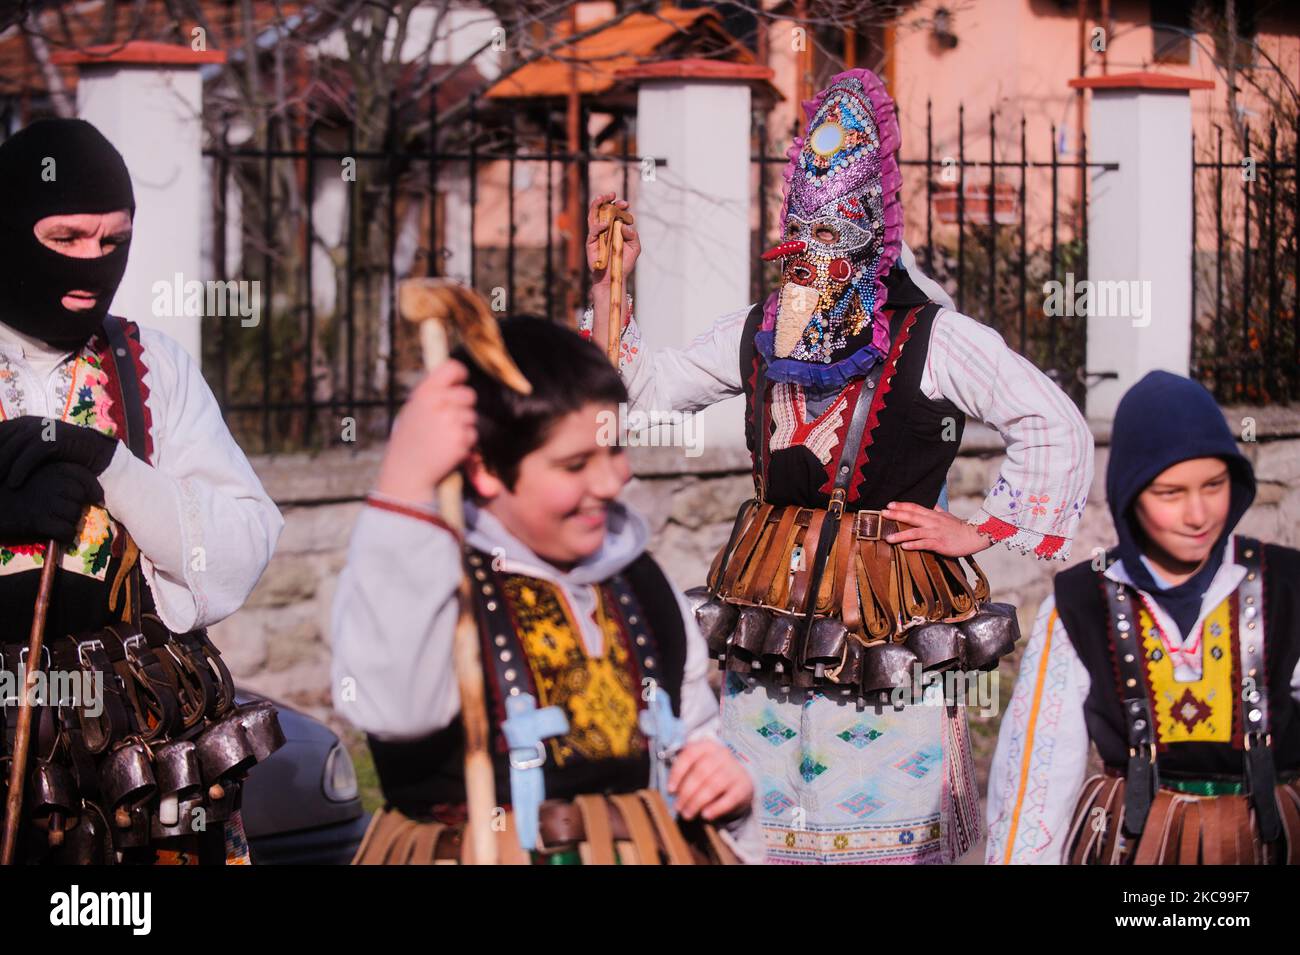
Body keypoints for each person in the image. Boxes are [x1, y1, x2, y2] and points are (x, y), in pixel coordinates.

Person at [583, 68, 1094, 864]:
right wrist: (611, 284)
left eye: (829, 247)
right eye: (800, 248)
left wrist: (982, 527)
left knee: (894, 819)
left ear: (866, 238)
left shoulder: (935, 338)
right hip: (770, 604)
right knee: (766, 807)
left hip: (889, 607)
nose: (810, 268)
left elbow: (1052, 421)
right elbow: (641, 393)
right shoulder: (757, 330)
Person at [331, 316, 762, 863]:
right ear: (485, 468)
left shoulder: (641, 584)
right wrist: (403, 489)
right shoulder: (431, 582)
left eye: (615, 448)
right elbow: (393, 709)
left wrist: (722, 781)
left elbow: (691, 733)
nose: (611, 482)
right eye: (575, 464)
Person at [0, 118, 284, 864]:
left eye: (112, 241)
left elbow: (242, 544)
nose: (93, 263)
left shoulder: (149, 367)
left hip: (135, 773)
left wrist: (114, 468)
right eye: (65, 238)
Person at [986, 371, 1300, 864]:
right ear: (1130, 495)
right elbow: (1039, 778)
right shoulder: (1080, 606)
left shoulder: (1288, 587)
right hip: (1135, 851)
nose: (1198, 514)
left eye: (1214, 485)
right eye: (1170, 494)